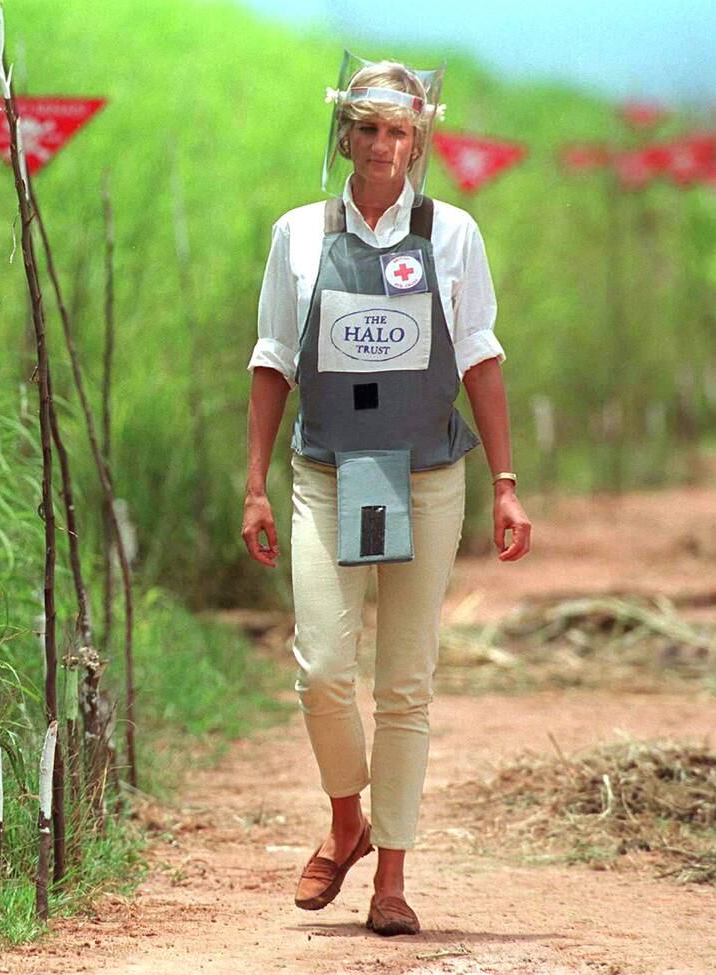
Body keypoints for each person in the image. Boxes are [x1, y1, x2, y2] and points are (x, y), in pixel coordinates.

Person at [241, 57, 532, 937]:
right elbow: (272, 360)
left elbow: (480, 355)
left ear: (419, 139)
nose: (380, 146)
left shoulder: (454, 237)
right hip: (327, 474)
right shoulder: (297, 234)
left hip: (427, 475)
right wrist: (253, 483)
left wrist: (507, 486)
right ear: (345, 134)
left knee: (406, 682)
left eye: (397, 130)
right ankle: (346, 822)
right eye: (365, 128)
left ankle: (392, 879)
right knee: (323, 667)